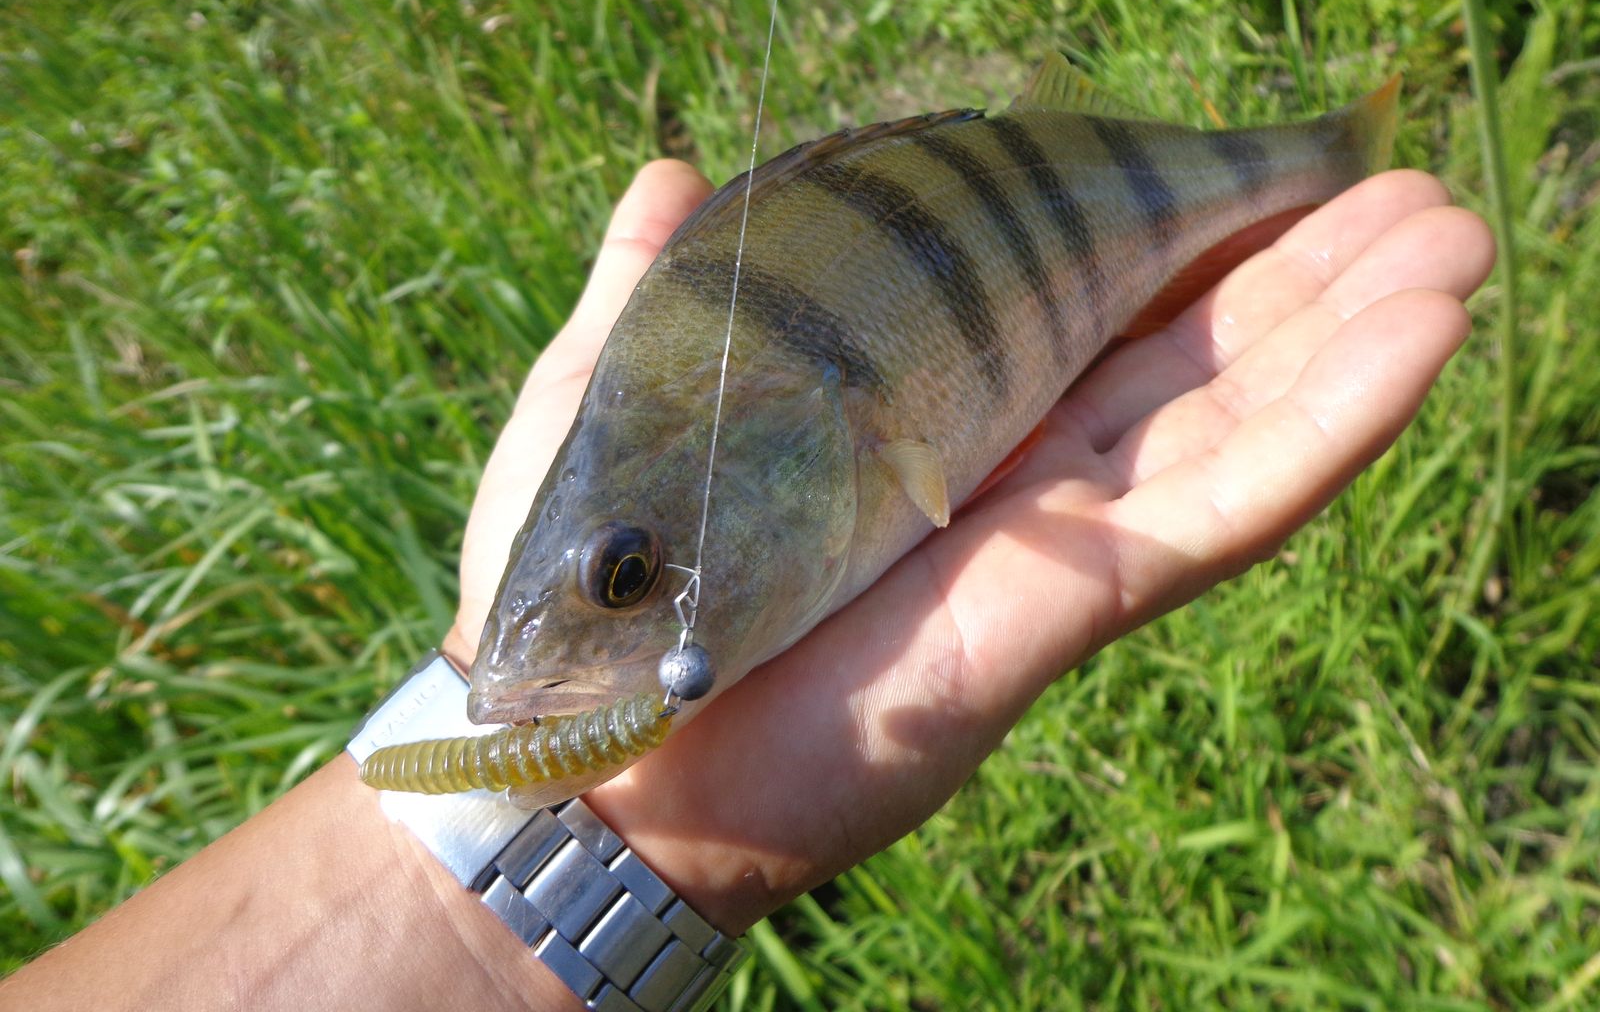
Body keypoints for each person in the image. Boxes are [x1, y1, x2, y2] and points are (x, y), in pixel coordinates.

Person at [0, 162, 1494, 1010]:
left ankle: (1324, 155)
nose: (622, 596)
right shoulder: (732, 456)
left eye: (626, 573)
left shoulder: (832, 414)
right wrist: (504, 857)